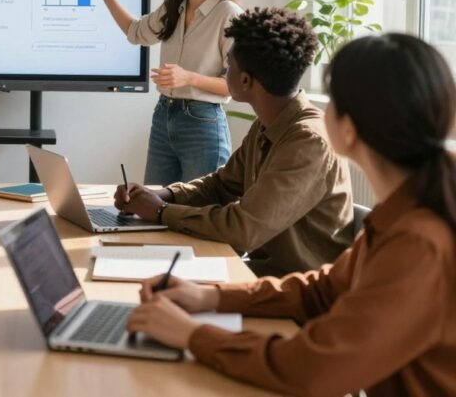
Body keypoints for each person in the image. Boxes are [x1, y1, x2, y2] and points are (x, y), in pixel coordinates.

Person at [127, 33, 456, 396]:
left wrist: (192, 334)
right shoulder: (406, 215)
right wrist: (209, 298)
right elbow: (322, 290)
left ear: (348, 128)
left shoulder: (418, 243)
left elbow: (316, 368)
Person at [115, 8, 352, 276]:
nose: (224, 72)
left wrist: (161, 212)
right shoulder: (268, 123)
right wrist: (163, 195)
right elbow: (221, 185)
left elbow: (243, 230)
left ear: (246, 80)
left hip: (298, 291)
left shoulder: (308, 142)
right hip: (263, 274)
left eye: (228, 65)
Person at [90, 0, 242, 184]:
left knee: (199, 211)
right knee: (153, 206)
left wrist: (188, 78)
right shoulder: (174, 7)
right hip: (164, 116)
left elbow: (235, 86)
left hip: (203, 122)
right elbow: (135, 32)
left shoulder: (228, 13)